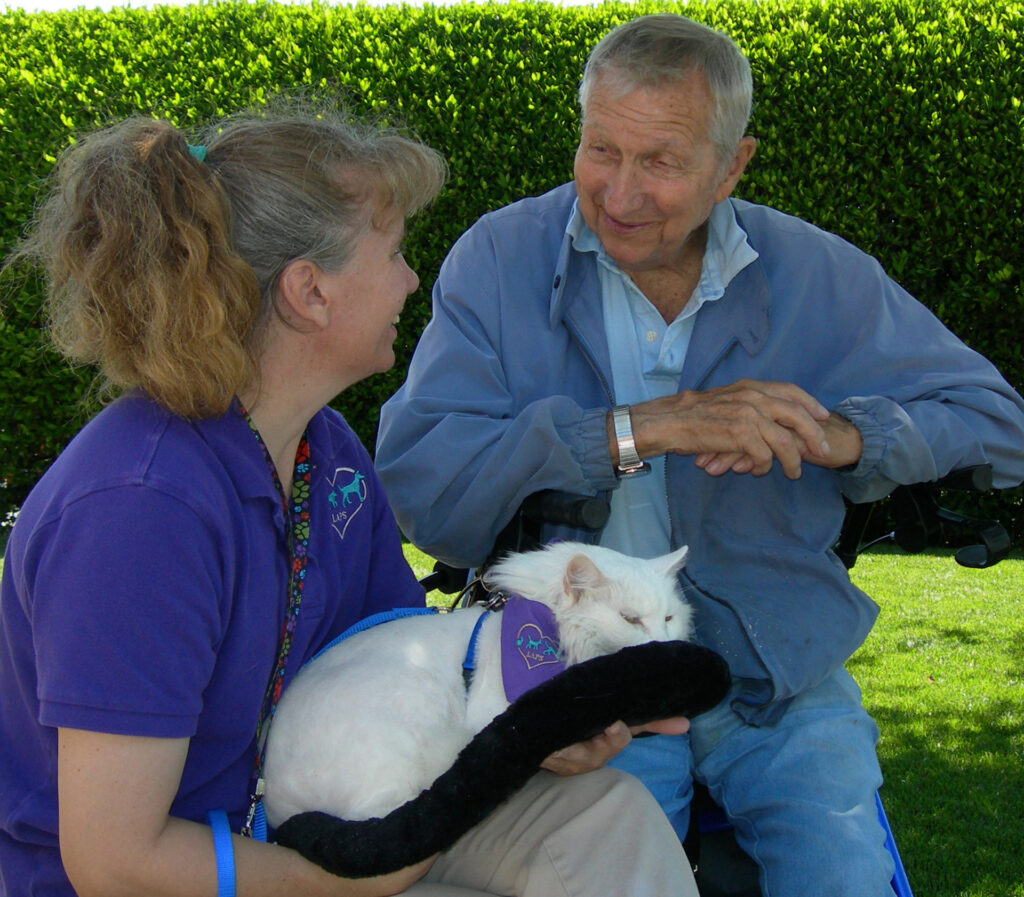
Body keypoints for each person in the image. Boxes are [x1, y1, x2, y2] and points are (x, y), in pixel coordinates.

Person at [375, 14, 1024, 897]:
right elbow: (423, 483)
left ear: (733, 166)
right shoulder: (499, 258)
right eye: (601, 148)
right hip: (582, 680)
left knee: (844, 878)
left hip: (779, 673)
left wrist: (852, 437)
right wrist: (640, 428)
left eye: (663, 161)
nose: (620, 192)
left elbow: (996, 418)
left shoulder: (816, 274)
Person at [0, 108, 700, 897]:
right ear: (310, 292)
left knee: (608, 813)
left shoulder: (325, 452)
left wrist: (526, 729)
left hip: (333, 817)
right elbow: (115, 861)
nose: (410, 278)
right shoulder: (138, 510)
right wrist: (343, 881)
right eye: (395, 251)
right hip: (199, 874)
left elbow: (405, 669)